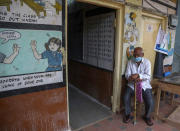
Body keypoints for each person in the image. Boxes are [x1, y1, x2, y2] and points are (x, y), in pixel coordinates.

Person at [123, 47, 154, 126]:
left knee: (150, 101)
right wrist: (130, 78)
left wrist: (138, 76)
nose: (136, 57)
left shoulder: (147, 62)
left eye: (138, 55)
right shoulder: (130, 62)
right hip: (132, 85)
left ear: (142, 54)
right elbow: (127, 74)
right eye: (135, 55)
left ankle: (147, 116)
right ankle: (128, 114)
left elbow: (148, 76)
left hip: (144, 85)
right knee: (125, 97)